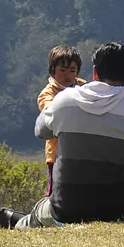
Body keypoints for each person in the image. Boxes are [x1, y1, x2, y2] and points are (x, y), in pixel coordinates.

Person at [0, 41, 124, 229]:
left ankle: (18, 222)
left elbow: (40, 131)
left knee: (42, 211)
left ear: (95, 73)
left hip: (68, 209)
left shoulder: (64, 101)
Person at [37, 45, 86, 195]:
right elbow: (50, 110)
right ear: (52, 70)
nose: (67, 76)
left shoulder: (83, 86)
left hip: (82, 150)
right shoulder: (48, 93)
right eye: (62, 70)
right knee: (56, 190)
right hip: (58, 153)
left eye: (72, 71)